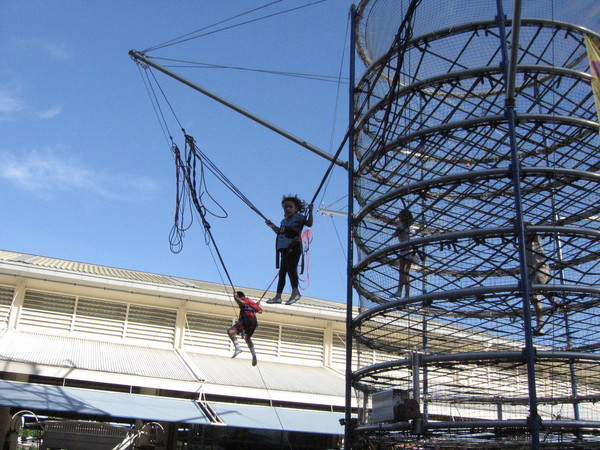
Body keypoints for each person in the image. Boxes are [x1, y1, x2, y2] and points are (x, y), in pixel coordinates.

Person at [265, 195, 313, 305]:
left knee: (291, 270)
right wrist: (272, 225)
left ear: (296, 209)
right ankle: (278, 295)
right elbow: (280, 232)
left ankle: (295, 292)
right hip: (285, 249)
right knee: (282, 273)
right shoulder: (283, 221)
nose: (287, 209)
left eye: (290, 207)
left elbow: (309, 224)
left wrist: (310, 211)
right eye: (285, 207)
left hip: (293, 247)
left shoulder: (299, 217)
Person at [524, 228, 553, 336]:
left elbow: (532, 226)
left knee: (541, 282)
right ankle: (540, 327)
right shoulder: (524, 245)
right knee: (535, 302)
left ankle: (553, 301)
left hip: (541, 269)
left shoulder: (535, 242)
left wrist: (520, 222)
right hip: (531, 274)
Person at [227, 290, 262, 366]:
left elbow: (242, 303)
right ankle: (254, 355)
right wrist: (256, 305)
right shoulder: (251, 302)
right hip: (253, 322)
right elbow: (260, 311)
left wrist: (236, 298)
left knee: (230, 331)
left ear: (239, 296)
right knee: (247, 338)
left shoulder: (244, 300)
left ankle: (237, 348)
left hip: (247, 319)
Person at [392, 207, 416, 298]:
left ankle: (399, 290)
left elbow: (396, 234)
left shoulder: (401, 225)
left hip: (404, 250)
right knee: (406, 273)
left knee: (402, 272)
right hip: (411, 250)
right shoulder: (411, 226)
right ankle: (407, 294)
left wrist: (394, 234)